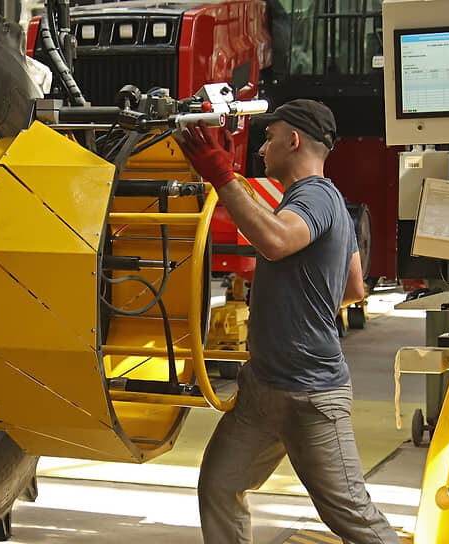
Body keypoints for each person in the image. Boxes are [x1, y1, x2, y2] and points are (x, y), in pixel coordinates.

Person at [179, 99, 400, 544]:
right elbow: (354, 286)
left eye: (269, 138)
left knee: (353, 517)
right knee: (220, 485)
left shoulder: (315, 195)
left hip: (309, 394)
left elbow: (277, 242)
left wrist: (221, 176)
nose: (262, 149)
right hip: (264, 390)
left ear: (294, 140)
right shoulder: (326, 200)